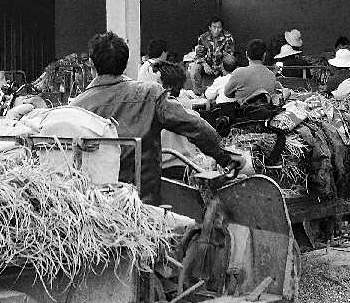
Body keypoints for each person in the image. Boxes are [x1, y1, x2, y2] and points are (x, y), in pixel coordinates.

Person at [70, 32, 237, 205]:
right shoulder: (150, 94)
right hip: (145, 204)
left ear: (92, 63)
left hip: (94, 206)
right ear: (125, 63)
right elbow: (195, 126)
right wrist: (227, 157)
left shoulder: (76, 107)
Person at [154, 61, 217, 181]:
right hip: (187, 170)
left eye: (156, 83)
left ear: (167, 87)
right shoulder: (192, 113)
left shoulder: (154, 114)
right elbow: (212, 138)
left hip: (161, 172)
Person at [224, 39, 285, 104]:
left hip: (243, 109)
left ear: (246, 54)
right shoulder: (271, 75)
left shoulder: (238, 73)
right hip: (264, 110)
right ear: (264, 56)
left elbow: (227, 93)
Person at [191, 17, 235, 94]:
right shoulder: (203, 37)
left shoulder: (228, 37)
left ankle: (225, 94)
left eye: (219, 27)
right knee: (194, 69)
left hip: (222, 65)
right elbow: (199, 55)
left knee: (230, 65)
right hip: (208, 63)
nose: (216, 30)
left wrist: (221, 67)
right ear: (210, 28)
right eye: (214, 27)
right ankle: (198, 93)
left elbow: (228, 56)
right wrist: (205, 65)